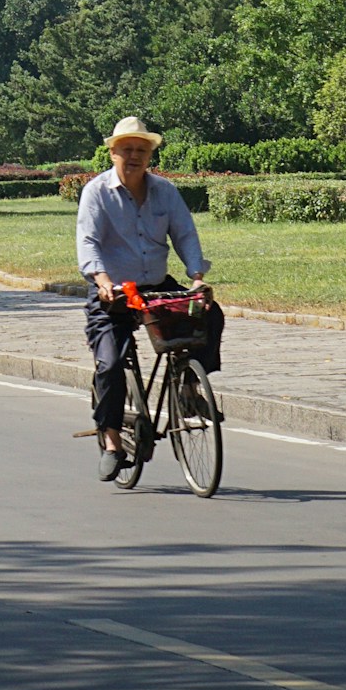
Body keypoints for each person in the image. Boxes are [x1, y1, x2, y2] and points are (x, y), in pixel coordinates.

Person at [76, 116, 224, 479]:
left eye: (141, 150)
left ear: (150, 155)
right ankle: (111, 440)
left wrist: (196, 277)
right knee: (110, 364)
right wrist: (102, 278)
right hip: (113, 290)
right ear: (112, 153)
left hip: (156, 285)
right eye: (126, 149)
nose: (134, 156)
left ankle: (188, 387)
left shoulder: (165, 191)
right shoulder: (96, 192)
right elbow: (88, 241)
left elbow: (185, 234)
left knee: (210, 312)